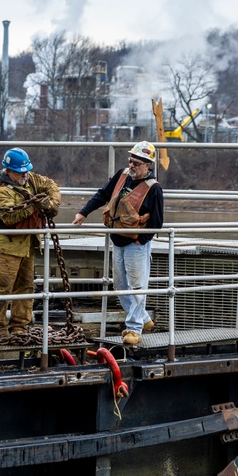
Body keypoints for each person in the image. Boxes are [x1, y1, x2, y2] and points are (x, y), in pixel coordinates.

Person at [73, 140, 164, 346]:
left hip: (135, 245)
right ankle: (144, 319)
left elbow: (157, 222)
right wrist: (83, 213)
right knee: (121, 286)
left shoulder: (154, 189)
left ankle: (134, 329)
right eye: (131, 161)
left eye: (137, 163)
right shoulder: (122, 176)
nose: (132, 165)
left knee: (136, 286)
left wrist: (141, 240)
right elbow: (103, 195)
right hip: (117, 240)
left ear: (147, 165)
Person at [0, 148, 60, 339]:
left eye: (26, 171)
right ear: (8, 171)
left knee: (25, 287)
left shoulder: (31, 179)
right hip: (5, 248)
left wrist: (51, 204)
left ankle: (20, 327)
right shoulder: (0, 192)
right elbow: (10, 216)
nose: (24, 175)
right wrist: (36, 204)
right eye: (20, 172)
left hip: (27, 244)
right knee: (2, 288)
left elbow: (50, 186)